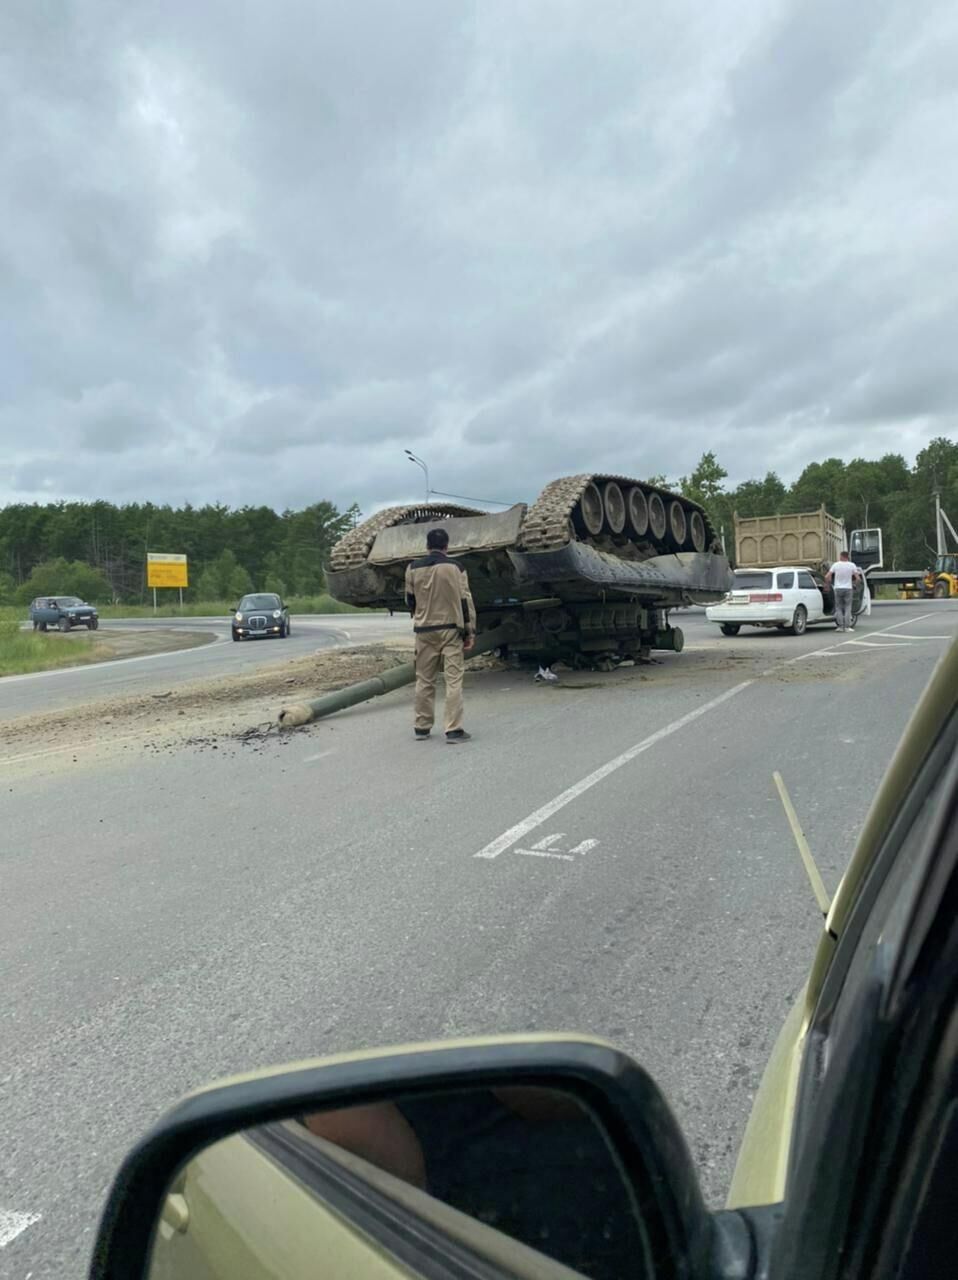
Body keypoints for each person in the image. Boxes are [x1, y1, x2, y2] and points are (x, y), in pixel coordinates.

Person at [404, 528, 476, 742]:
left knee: (424, 679)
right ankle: (453, 729)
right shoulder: (456, 568)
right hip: (451, 629)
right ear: (447, 546)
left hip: (424, 630)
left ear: (427, 546)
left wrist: (421, 615)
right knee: (453, 679)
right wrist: (469, 631)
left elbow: (410, 601)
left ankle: (422, 727)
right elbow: (465, 602)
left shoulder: (412, 568)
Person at [825, 550, 863, 632]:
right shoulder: (852, 565)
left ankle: (840, 626)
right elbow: (858, 579)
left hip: (837, 588)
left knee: (838, 607)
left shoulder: (836, 565)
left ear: (841, 556)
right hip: (848, 589)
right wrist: (854, 585)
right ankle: (847, 627)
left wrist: (828, 585)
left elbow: (827, 576)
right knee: (847, 607)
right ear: (847, 557)